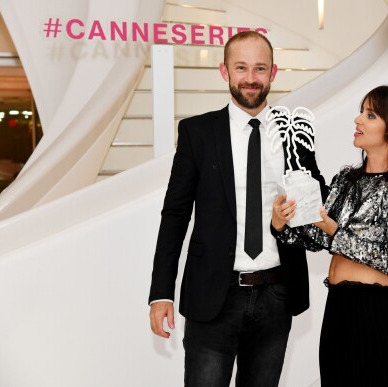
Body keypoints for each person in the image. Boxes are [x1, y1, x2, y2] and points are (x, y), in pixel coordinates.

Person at [148, 31, 326, 387]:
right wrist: (161, 292)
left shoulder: (293, 131)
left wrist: (291, 216)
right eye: (241, 67)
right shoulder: (197, 132)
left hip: (277, 292)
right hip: (214, 293)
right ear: (224, 71)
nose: (250, 78)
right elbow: (175, 214)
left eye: (260, 68)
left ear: (273, 73)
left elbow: (316, 201)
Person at [271, 85, 388, 387]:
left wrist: (335, 231)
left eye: (370, 114)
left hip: (374, 316)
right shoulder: (346, 179)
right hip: (337, 309)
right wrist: (281, 225)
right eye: (361, 112)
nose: (357, 120)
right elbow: (317, 238)